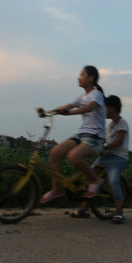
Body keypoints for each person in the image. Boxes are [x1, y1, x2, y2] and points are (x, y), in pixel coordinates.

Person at [37, 65, 106, 203]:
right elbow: (66, 107)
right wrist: (47, 113)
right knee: (55, 153)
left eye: (82, 75)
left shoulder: (97, 94)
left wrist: (71, 113)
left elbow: (89, 107)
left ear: (91, 78)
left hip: (96, 137)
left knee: (74, 157)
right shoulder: (81, 97)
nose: (79, 78)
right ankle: (57, 190)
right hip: (82, 135)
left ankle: (95, 180)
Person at [70, 95, 130, 224]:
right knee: (89, 177)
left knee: (113, 181)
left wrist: (105, 147)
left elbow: (119, 141)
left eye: (105, 108)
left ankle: (119, 211)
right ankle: (84, 209)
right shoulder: (108, 126)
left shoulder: (122, 123)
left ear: (112, 108)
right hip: (106, 156)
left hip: (118, 157)